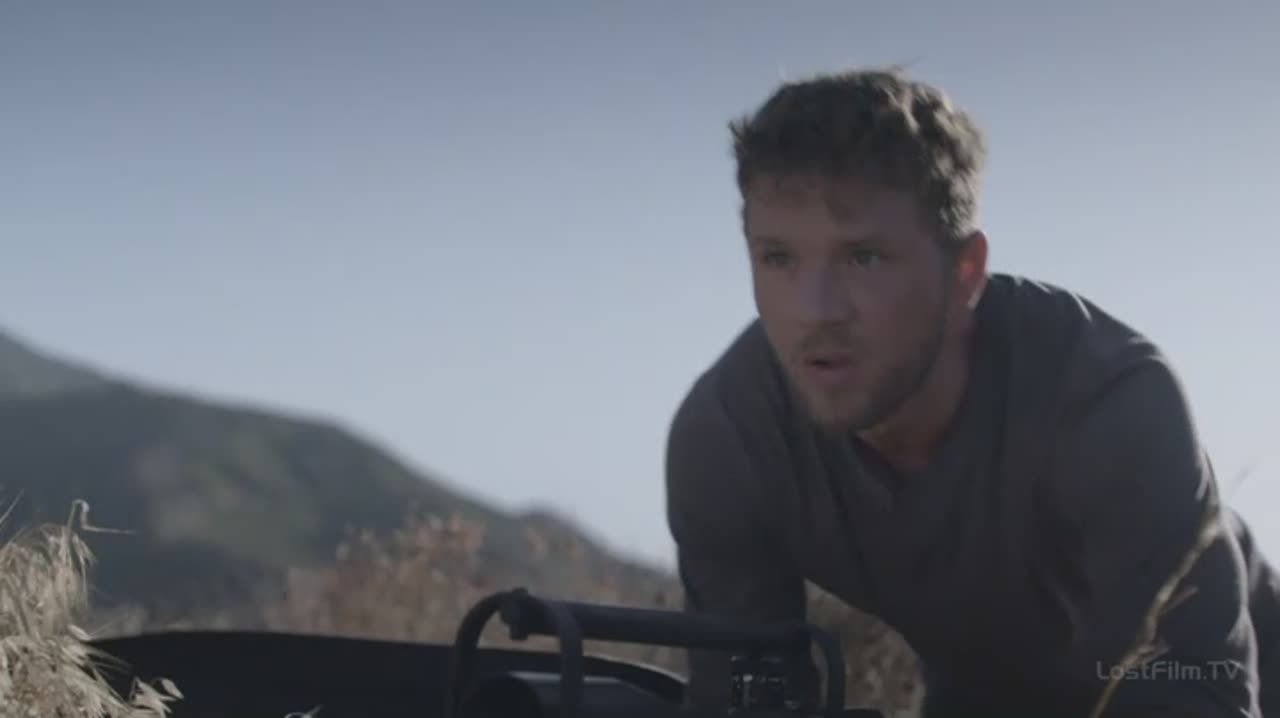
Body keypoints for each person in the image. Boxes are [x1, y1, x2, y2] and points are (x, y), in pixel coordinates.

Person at [663, 67, 1279, 718]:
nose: (815, 310)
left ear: (964, 271)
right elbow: (742, 700)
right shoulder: (730, 438)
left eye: (863, 257)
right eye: (778, 258)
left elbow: (1193, 693)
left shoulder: (1109, 400)